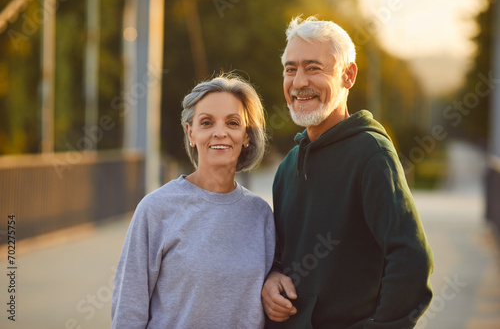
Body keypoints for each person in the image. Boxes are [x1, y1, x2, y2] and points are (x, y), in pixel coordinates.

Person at [261, 16, 434, 328]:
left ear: (348, 75)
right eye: (291, 68)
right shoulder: (287, 166)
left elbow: (411, 259)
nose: (299, 82)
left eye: (313, 68)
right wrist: (273, 276)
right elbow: (282, 255)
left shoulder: (371, 154)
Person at [111, 74, 275, 328]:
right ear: (191, 133)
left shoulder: (261, 214)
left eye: (232, 123)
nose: (219, 133)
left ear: (246, 136)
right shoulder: (156, 209)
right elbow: (128, 312)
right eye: (207, 123)